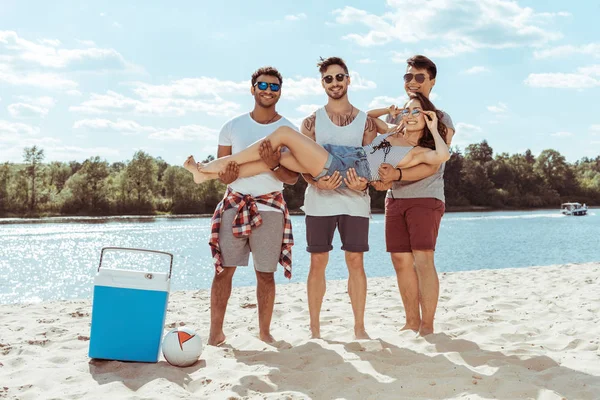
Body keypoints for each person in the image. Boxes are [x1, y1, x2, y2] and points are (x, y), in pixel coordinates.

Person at [206, 66, 299, 346]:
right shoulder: (231, 127)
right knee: (223, 271)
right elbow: (219, 170)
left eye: (273, 87)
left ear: (280, 92)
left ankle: (265, 332)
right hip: (235, 204)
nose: (267, 90)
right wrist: (226, 177)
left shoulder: (289, 131)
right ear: (252, 88)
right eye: (263, 85)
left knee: (265, 274)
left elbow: (293, 178)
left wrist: (273, 165)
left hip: (270, 207)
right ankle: (215, 333)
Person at [184, 93, 449, 191]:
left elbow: (442, 157)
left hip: (345, 170)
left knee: (284, 135)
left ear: (426, 117)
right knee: (272, 161)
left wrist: (434, 126)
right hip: (340, 154)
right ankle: (205, 176)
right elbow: (368, 116)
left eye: (417, 112)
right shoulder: (393, 132)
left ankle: (209, 166)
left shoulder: (418, 151)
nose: (410, 115)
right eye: (407, 110)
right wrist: (391, 110)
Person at [368, 55, 456, 336]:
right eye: (408, 77)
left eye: (419, 77)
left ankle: (427, 325)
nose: (413, 82)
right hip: (394, 199)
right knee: (400, 260)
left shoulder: (441, 119)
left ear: (432, 81)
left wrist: (398, 175)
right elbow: (371, 136)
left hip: (426, 198)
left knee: (423, 259)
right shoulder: (400, 116)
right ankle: (410, 321)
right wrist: (383, 179)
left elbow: (433, 165)